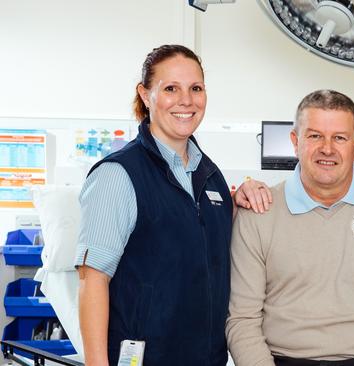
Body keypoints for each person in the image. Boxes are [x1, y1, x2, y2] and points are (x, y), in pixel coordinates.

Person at [75, 44, 270, 366]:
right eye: (170, 88)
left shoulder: (211, 176)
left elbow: (199, 241)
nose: (186, 101)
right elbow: (92, 279)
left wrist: (237, 203)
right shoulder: (118, 175)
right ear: (145, 94)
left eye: (196, 88)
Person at [226, 90, 354, 366]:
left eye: (340, 138)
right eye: (315, 136)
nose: (327, 149)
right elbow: (242, 319)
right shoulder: (258, 212)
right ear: (295, 142)